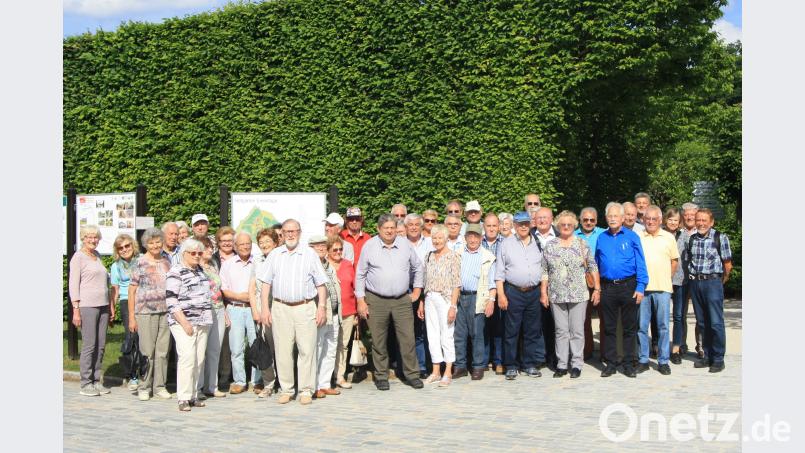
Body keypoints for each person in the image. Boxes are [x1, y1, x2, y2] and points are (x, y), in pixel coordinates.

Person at [259, 219, 328, 405]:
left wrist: (321, 307)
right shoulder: (275, 255)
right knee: (283, 351)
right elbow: (265, 284)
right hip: (280, 307)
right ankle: (287, 389)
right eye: (287, 231)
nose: (290, 234)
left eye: (294, 231)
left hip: (305, 307)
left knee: (307, 349)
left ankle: (306, 390)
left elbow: (321, 284)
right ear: (281, 233)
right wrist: (265, 308)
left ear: (300, 232)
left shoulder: (310, 254)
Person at [355, 214, 425, 391]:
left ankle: (412, 374)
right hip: (376, 299)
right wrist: (361, 300)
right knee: (379, 340)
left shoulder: (405, 244)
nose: (389, 231)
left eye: (392, 227)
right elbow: (360, 274)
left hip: (402, 300)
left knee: (407, 339)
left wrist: (417, 291)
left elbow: (418, 267)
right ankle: (381, 376)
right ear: (378, 229)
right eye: (386, 228)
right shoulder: (369, 246)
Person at [540, 211, 600, 379]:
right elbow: (544, 271)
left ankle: (576, 364)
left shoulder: (582, 243)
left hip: (578, 294)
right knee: (561, 331)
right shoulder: (550, 245)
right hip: (556, 294)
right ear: (557, 226)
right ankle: (561, 364)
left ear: (574, 226)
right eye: (562, 224)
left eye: (569, 224)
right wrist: (543, 292)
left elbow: (592, 266)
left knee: (577, 331)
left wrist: (597, 289)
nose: (566, 227)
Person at [595, 202, 648, 378]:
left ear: (623, 218)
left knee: (629, 328)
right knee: (609, 328)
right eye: (609, 216)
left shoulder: (632, 237)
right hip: (607, 287)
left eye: (616, 216)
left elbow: (641, 263)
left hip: (628, 286)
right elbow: (596, 263)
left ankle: (628, 364)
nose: (612, 219)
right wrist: (597, 287)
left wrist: (641, 286)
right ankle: (611, 363)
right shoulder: (602, 238)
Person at [495, 211, 546, 380]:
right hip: (514, 291)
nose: (523, 226)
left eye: (526, 223)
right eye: (520, 224)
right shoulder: (506, 244)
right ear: (514, 226)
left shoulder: (537, 243)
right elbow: (499, 272)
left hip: (534, 292)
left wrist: (543, 292)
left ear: (530, 224)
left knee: (532, 330)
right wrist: (501, 295)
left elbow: (544, 269)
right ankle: (511, 365)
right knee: (511, 331)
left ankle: (529, 364)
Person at [166, 238, 213, 411]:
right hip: (183, 322)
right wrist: (184, 322)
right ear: (184, 254)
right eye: (193, 253)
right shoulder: (175, 271)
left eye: (199, 253)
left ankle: (194, 394)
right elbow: (171, 300)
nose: (197, 255)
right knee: (187, 358)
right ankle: (183, 397)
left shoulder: (200, 271)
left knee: (199, 359)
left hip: (203, 321)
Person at [684, 208, 733, 373]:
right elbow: (690, 261)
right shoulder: (692, 239)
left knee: (716, 322)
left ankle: (718, 359)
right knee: (702, 322)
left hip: (712, 282)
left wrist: (719, 282)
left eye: (704, 220)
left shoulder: (720, 237)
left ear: (711, 222)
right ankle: (707, 355)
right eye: (698, 220)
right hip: (696, 283)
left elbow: (728, 265)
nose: (701, 223)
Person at [127, 227, 172, 401]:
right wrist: (132, 317)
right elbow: (132, 290)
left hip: (165, 311)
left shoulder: (167, 261)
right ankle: (144, 386)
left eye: (158, 242)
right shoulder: (139, 262)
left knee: (163, 351)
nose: (155, 245)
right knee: (147, 351)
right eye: (151, 243)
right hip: (145, 312)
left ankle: (160, 386)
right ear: (146, 244)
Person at [69, 225, 114, 396]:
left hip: (103, 305)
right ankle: (86, 382)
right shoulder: (78, 257)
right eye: (89, 237)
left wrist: (110, 304)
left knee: (101, 345)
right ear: (83, 238)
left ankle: (96, 380)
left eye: (95, 237)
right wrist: (76, 309)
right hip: (87, 305)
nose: (93, 240)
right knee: (90, 344)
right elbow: (73, 285)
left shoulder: (97, 255)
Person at [637, 206, 679, 376]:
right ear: (643, 220)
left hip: (663, 289)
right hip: (643, 289)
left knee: (663, 326)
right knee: (641, 327)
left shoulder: (669, 237)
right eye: (648, 219)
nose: (651, 221)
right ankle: (643, 360)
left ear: (660, 220)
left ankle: (663, 361)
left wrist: (666, 277)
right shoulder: (638, 236)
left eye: (654, 219)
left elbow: (674, 262)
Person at [420, 224, 461, 388]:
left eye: (440, 238)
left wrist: (453, 306)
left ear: (446, 239)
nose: (437, 241)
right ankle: (436, 370)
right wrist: (421, 302)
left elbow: (457, 283)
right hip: (430, 297)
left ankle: (448, 371)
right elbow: (424, 281)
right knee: (432, 335)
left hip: (446, 299)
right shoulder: (428, 256)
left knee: (447, 334)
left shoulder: (453, 256)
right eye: (434, 238)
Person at [455, 224, 497, 381]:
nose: (473, 239)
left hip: (477, 297)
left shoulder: (488, 257)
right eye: (470, 236)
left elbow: (492, 283)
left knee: (477, 334)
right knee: (459, 334)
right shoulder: (457, 253)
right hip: (459, 296)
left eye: (476, 236)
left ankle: (478, 366)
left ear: (481, 238)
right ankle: (460, 366)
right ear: (465, 238)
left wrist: (491, 301)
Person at [220, 231, 258, 395]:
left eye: (248, 243)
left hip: (253, 309)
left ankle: (257, 381)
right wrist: (240, 297)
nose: (245, 247)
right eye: (242, 244)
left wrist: (251, 299)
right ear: (235, 246)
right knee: (236, 348)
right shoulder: (228, 264)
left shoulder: (257, 262)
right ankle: (240, 381)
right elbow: (223, 289)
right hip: (235, 308)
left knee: (256, 345)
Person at [248, 228, 280, 397]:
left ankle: (286, 383)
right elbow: (252, 288)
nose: (264, 244)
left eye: (268, 241)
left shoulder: (282, 258)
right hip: (262, 309)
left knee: (282, 348)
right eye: (261, 242)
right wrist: (255, 310)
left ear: (275, 243)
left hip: (280, 308)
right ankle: (268, 384)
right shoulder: (257, 261)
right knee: (265, 348)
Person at [197, 236, 230, 399]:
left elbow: (219, 290)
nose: (211, 249)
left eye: (211, 247)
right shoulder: (195, 268)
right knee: (200, 350)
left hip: (218, 309)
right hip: (202, 312)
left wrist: (224, 311)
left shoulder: (213, 265)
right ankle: (198, 387)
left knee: (215, 349)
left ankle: (212, 386)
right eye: (207, 247)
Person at [310, 235, 341, 399]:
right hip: (320, 314)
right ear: (310, 248)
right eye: (317, 246)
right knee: (317, 349)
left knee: (330, 350)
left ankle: (325, 384)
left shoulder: (330, 266)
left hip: (334, 314)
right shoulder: (310, 265)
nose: (321, 248)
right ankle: (313, 385)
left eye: (323, 245)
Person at [405, 213, 435, 378]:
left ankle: (422, 366)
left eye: (417, 224)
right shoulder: (400, 243)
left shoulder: (430, 243)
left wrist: (422, 297)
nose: (414, 227)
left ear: (422, 226)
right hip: (404, 290)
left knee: (421, 331)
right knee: (404, 331)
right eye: (411, 225)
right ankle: (405, 366)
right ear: (406, 227)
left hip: (424, 289)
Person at [326, 236, 358, 389]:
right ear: (328, 251)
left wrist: (357, 311)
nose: (338, 252)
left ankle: (340, 376)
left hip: (348, 310)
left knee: (343, 345)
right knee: (328, 345)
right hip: (329, 311)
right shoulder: (323, 265)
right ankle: (326, 377)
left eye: (340, 249)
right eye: (335, 250)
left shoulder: (348, 265)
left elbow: (355, 287)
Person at [575, 206, 606, 360]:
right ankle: (587, 350)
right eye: (585, 219)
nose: (588, 222)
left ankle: (605, 352)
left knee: (604, 317)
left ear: (596, 220)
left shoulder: (603, 234)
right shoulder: (573, 235)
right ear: (580, 220)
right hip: (581, 281)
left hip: (602, 279)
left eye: (592, 220)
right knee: (584, 318)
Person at [110, 233, 139, 390]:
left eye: (127, 246)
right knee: (131, 336)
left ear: (132, 245)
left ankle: (144, 371)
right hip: (126, 301)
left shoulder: (141, 261)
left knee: (143, 338)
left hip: (142, 301)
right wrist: (112, 309)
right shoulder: (116, 266)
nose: (124, 249)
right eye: (120, 248)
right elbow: (114, 289)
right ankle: (132, 374)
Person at [531, 207, 557, 370]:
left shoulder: (560, 234)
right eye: (539, 217)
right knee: (538, 323)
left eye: (545, 217)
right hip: (535, 285)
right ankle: (540, 356)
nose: (542, 220)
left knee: (556, 323)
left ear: (551, 219)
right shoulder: (529, 235)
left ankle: (554, 356)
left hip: (556, 285)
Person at [481, 213, 505, 375]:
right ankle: (483, 360)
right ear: (484, 226)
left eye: (494, 226)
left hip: (500, 289)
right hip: (482, 289)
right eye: (488, 225)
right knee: (483, 327)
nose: (491, 229)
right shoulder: (478, 242)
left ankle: (498, 361)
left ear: (499, 227)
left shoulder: (506, 243)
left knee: (499, 327)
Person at [680, 202, 704, 359]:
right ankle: (681, 344)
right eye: (686, 214)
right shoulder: (677, 232)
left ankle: (701, 345)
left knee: (700, 314)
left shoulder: (702, 232)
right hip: (680, 279)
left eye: (692, 214)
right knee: (680, 315)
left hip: (697, 279)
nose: (689, 217)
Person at [663, 208, 687, 364]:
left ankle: (676, 349)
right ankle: (660, 347)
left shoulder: (685, 236)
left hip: (680, 281)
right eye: (670, 219)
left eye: (676, 220)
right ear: (665, 220)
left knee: (678, 316)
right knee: (661, 316)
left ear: (680, 222)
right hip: (662, 280)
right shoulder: (659, 235)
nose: (673, 222)